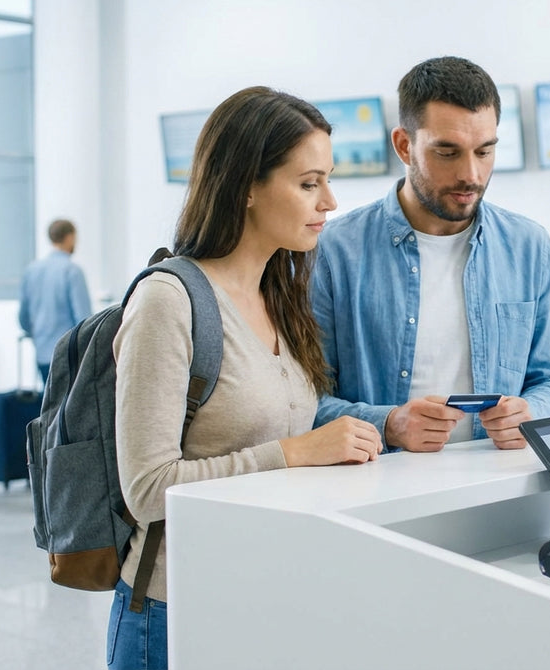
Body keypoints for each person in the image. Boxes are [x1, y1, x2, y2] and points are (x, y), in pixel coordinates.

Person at [108, 86, 382, 670]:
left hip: (267, 594)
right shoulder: (169, 300)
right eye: (309, 183)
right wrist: (293, 453)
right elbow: (149, 488)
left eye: (328, 180)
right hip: (174, 608)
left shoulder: (279, 295)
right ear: (248, 186)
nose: (329, 201)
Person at [312, 56, 550, 452]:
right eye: (448, 153)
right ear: (404, 145)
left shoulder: (528, 245)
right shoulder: (332, 251)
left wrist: (532, 411)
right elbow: (302, 400)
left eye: (485, 152)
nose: (471, 174)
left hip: (498, 483)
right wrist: (388, 424)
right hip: (379, 487)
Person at [19, 218, 93, 383]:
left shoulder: (31, 271)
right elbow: (84, 320)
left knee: (48, 405)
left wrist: (37, 335)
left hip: (42, 354)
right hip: (68, 355)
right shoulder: (72, 271)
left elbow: (23, 318)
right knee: (68, 407)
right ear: (69, 237)